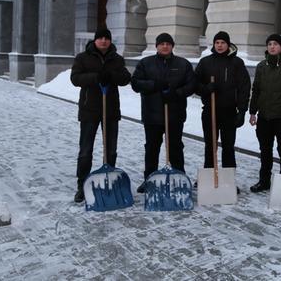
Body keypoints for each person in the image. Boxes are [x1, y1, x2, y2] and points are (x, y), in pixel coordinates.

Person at [70, 28, 131, 203]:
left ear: (110, 41)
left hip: (110, 111)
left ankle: (109, 182)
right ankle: (82, 186)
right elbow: (75, 79)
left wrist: (112, 75)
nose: (104, 41)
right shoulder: (83, 58)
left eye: (107, 38)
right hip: (90, 110)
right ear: (95, 40)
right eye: (100, 38)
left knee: (110, 150)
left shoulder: (117, 59)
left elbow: (126, 78)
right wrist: (96, 77)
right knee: (85, 151)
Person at [131, 33, 196, 193]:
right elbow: (135, 83)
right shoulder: (146, 63)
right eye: (162, 43)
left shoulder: (183, 64)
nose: (165, 46)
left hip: (175, 114)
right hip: (152, 114)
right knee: (151, 148)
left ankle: (179, 178)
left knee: (175, 147)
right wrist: (154, 85)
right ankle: (149, 179)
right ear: (157, 46)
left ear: (172, 46)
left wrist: (177, 93)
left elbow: (192, 84)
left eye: (168, 43)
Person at [194, 31, 251, 192]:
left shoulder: (236, 63)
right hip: (210, 111)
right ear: (213, 44)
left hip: (229, 111)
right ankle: (208, 176)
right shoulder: (205, 62)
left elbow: (244, 87)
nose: (219, 45)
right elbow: (194, 83)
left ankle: (229, 179)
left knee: (228, 146)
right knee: (210, 146)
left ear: (228, 44)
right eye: (217, 42)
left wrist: (242, 110)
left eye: (223, 43)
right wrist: (206, 89)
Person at [248, 34, 281, 192]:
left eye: (275, 44)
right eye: (269, 44)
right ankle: (264, 181)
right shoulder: (261, 66)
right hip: (264, 116)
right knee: (265, 150)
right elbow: (256, 90)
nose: (272, 46)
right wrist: (253, 112)